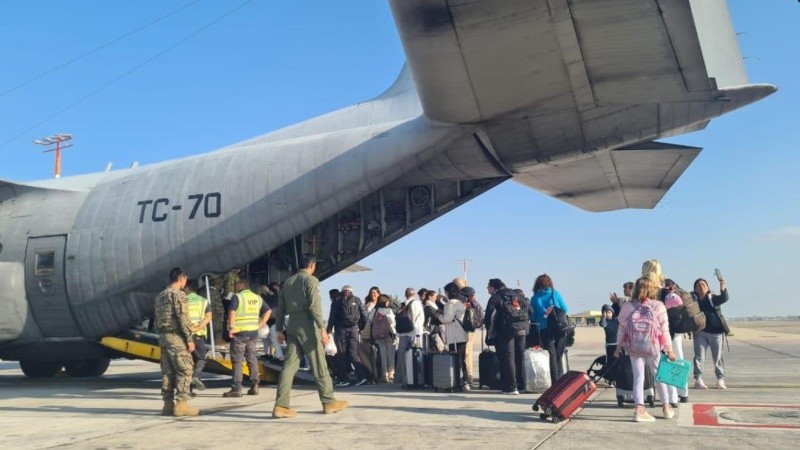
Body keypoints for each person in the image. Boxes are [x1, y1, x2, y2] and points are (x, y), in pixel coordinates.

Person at [272, 254, 347, 418]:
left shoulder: (288, 282)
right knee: (320, 365)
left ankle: (280, 406)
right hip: (308, 325)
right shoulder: (311, 280)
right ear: (312, 266)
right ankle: (328, 401)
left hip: (292, 326)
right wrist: (322, 328)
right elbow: (314, 306)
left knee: (288, 367)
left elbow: (280, 308)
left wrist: (278, 330)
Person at [615, 276, 676, 422]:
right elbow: (665, 330)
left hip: (633, 347)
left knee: (638, 377)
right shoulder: (658, 306)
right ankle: (666, 407)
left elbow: (621, 330)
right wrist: (669, 349)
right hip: (653, 347)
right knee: (658, 376)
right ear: (652, 289)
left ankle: (640, 409)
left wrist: (618, 348)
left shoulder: (627, 306)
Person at [153, 267, 199, 417]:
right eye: (185, 279)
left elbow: (157, 320)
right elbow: (183, 319)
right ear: (181, 278)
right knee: (185, 368)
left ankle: (167, 404)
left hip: (163, 337)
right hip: (176, 337)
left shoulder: (160, 296)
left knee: (168, 371)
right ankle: (181, 404)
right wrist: (189, 339)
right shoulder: (179, 295)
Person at [223, 279, 271, 398]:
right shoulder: (257, 298)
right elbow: (268, 311)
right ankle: (255, 384)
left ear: (243, 284)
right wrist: (260, 324)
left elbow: (232, 312)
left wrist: (231, 328)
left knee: (237, 360)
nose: (236, 285)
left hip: (239, 333)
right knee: (251, 357)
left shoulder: (237, 297)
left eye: (237, 283)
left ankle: (236, 388)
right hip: (253, 333)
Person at [485, 278, 529, 394]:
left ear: (493, 287)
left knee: (508, 357)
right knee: (520, 356)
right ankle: (522, 384)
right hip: (522, 329)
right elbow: (529, 309)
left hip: (505, 331)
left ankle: (511, 387)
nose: (487, 289)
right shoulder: (516, 295)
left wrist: (490, 331)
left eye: (488, 287)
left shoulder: (495, 297)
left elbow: (489, 317)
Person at [327, 285, 369, 387]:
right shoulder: (357, 300)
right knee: (353, 353)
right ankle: (362, 377)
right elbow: (364, 316)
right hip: (354, 329)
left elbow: (332, 315)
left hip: (341, 329)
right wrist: (360, 328)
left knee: (341, 354)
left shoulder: (337, 299)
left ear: (342, 291)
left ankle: (343, 379)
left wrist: (328, 330)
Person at [692, 276, 730, 390]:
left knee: (717, 356)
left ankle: (720, 379)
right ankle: (698, 380)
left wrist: (722, 286)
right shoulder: (693, 300)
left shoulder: (712, 298)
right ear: (695, 289)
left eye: (703, 284)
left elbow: (724, 298)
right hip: (700, 332)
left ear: (708, 287)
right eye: (698, 285)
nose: (701, 287)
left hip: (716, 331)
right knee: (699, 357)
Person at [530, 274, 569, 385]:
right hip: (559, 327)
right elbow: (565, 308)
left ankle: (555, 380)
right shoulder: (555, 294)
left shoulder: (535, 298)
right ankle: (561, 379)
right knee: (559, 354)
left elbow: (533, 317)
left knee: (551, 355)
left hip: (544, 329)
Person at [661, 279, 689, 404]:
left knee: (671, 362)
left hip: (671, 331)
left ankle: (675, 397)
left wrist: (671, 288)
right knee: (678, 361)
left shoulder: (666, 293)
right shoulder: (672, 292)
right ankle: (682, 393)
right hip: (674, 330)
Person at [438, 288, 472, 391]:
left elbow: (447, 319)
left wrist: (438, 315)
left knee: (456, 359)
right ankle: (465, 381)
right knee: (461, 359)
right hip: (461, 335)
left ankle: (458, 381)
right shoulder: (459, 302)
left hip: (455, 336)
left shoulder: (451, 303)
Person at [184, 278, 212, 393]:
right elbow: (208, 317)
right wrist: (199, 327)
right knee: (200, 359)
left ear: (187, 288)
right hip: (199, 334)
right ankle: (196, 376)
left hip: (185, 335)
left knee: (187, 362)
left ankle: (188, 390)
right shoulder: (204, 301)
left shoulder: (183, 300)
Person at [394, 287, 424, 384]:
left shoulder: (401, 305)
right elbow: (420, 318)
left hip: (402, 332)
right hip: (414, 332)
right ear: (414, 295)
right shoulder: (417, 303)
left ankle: (399, 378)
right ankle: (415, 377)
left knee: (401, 356)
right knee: (416, 355)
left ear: (405, 295)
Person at [357, 287, 381, 384]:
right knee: (367, 355)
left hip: (377, 332)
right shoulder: (366, 304)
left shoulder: (380, 305)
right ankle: (370, 376)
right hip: (366, 333)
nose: (373, 295)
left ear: (378, 294)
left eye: (375, 293)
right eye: (371, 293)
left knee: (376, 356)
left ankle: (376, 376)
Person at [372, 294, 397, 383]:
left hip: (378, 336)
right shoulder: (389, 311)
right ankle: (391, 374)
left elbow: (370, 320)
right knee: (390, 354)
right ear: (386, 301)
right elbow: (392, 323)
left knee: (382, 355)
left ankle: (383, 374)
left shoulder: (375, 311)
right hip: (389, 335)